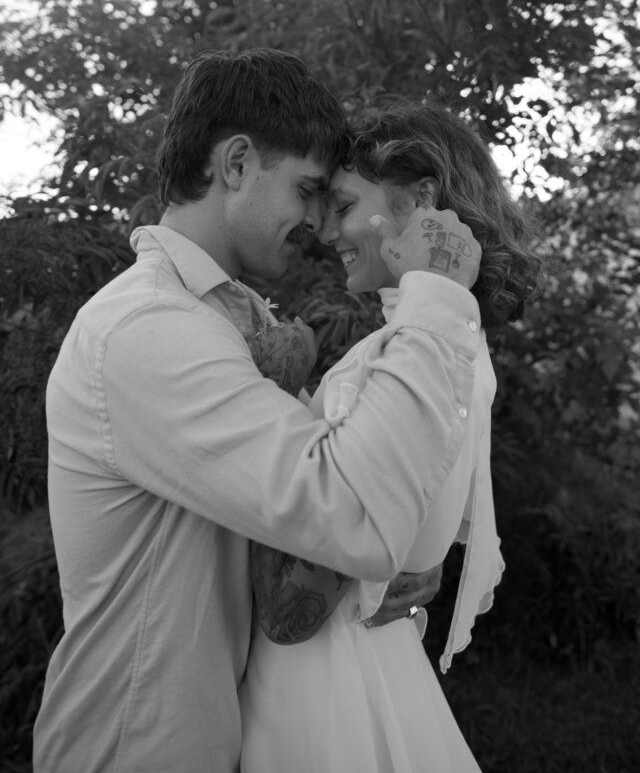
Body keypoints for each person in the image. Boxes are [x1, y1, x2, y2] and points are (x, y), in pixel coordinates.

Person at [33, 50, 486, 773]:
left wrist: (399, 555)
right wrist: (433, 300)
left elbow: (324, 507)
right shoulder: (150, 332)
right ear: (236, 163)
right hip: (134, 747)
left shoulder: (218, 320)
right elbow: (348, 511)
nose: (315, 220)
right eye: (307, 189)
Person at [239, 103, 542, 773]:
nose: (324, 230)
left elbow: (290, 607)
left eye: (343, 204)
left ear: (421, 202)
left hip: (317, 685)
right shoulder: (456, 350)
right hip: (376, 662)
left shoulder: (397, 362)